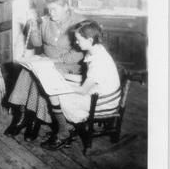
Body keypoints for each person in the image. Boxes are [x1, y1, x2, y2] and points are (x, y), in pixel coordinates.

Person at [4, 0, 84, 141]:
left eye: (54, 9)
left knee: (42, 76)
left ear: (66, 6)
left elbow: (78, 54)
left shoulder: (78, 22)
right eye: (49, 9)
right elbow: (37, 43)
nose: (51, 13)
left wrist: (53, 61)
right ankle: (22, 117)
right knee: (27, 71)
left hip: (68, 65)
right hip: (46, 59)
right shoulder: (46, 20)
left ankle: (35, 121)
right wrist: (33, 29)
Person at [41, 19, 121, 150]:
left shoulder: (98, 61)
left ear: (89, 40)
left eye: (78, 39)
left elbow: (83, 90)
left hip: (103, 103)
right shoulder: (97, 50)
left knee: (54, 94)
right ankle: (67, 128)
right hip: (100, 94)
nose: (76, 42)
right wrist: (64, 76)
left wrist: (59, 84)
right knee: (59, 87)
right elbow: (87, 79)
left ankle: (63, 133)